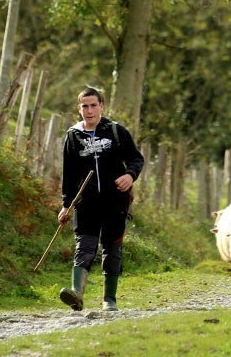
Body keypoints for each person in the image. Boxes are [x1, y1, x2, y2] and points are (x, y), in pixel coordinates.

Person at [58, 87, 145, 311]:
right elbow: (68, 174)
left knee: (112, 250)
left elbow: (136, 159)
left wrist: (129, 175)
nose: (89, 110)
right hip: (86, 204)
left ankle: (109, 300)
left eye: (93, 105)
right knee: (84, 248)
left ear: (101, 106)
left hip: (115, 202)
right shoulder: (73, 136)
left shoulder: (116, 131)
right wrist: (66, 205)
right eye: (84, 106)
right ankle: (76, 294)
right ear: (79, 109)